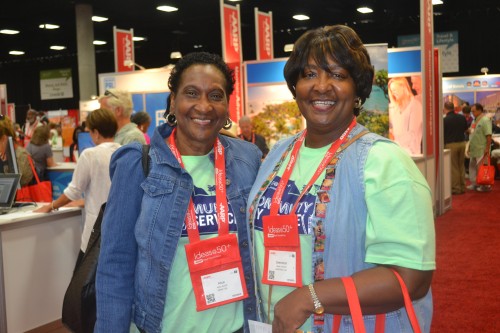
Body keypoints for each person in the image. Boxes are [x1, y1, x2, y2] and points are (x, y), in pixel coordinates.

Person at [247, 25, 435, 333]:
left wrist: (309, 298)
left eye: (337, 75)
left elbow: (412, 277)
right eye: (309, 74)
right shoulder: (279, 154)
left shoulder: (383, 161)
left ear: (357, 89)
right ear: (295, 86)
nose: (322, 86)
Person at [95, 52, 262, 333]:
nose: (203, 106)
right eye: (191, 93)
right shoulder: (139, 163)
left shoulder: (249, 160)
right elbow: (115, 264)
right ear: (173, 101)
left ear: (228, 106)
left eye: (216, 95)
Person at [34, 109, 120, 259]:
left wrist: (51, 206)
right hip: (119, 230)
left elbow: (73, 191)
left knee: (85, 277)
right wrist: (85, 200)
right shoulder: (124, 152)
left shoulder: (90, 155)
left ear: (96, 132)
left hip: (96, 232)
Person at [388, 76, 423, 155]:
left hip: (411, 155)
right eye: (391, 91)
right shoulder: (393, 108)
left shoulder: (415, 106)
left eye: (395, 90)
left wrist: (393, 142)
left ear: (403, 87)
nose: (393, 93)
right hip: (397, 153)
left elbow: (412, 134)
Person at [0, 115, 34, 186]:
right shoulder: (4, 155)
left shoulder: (21, 156)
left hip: (22, 196)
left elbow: (16, 184)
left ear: (4, 139)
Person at [443, 101, 468, 194]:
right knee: (461, 165)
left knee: (453, 167)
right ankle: (462, 186)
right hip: (462, 143)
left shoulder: (445, 120)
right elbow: (466, 129)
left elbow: (443, 133)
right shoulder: (462, 118)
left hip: (451, 144)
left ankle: (456, 188)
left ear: (445, 109)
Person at [466, 103, 492, 192]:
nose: (472, 113)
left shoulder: (485, 120)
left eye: (474, 111)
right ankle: (474, 183)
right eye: (472, 111)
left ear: (480, 110)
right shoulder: (474, 121)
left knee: (482, 168)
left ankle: (485, 185)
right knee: (472, 167)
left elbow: (489, 135)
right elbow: (472, 133)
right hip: (473, 148)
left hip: (482, 148)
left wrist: (487, 148)